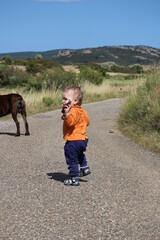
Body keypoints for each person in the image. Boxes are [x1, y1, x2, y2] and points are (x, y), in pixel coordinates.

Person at [61, 85, 91, 186]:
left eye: (65, 99)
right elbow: (87, 122)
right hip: (83, 139)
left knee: (71, 156)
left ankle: (74, 177)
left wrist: (67, 114)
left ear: (75, 101)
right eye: (62, 98)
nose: (63, 101)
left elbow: (71, 123)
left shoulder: (72, 110)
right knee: (79, 153)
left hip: (74, 140)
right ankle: (84, 167)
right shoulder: (82, 110)